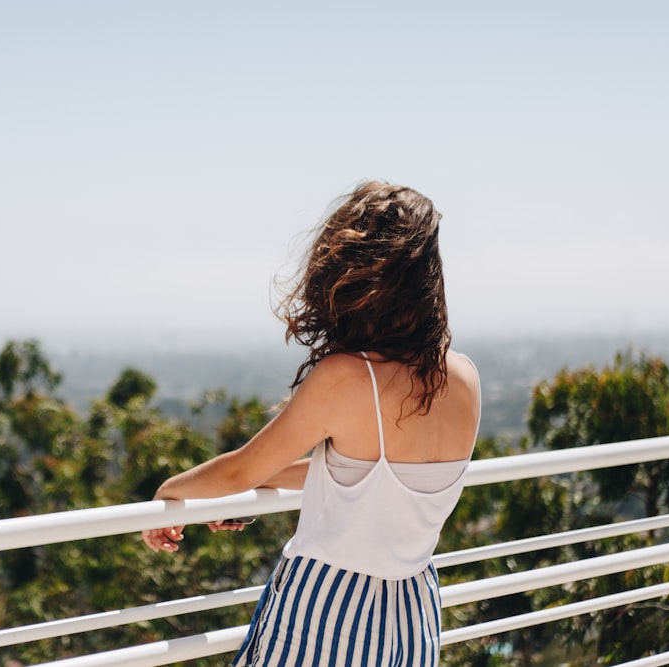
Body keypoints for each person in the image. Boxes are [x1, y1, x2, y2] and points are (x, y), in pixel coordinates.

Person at [141, 180, 481, 666]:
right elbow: (366, 480)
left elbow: (240, 469)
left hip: (329, 608)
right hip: (412, 612)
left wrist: (169, 492)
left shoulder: (346, 376)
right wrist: (237, 487)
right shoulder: (463, 377)